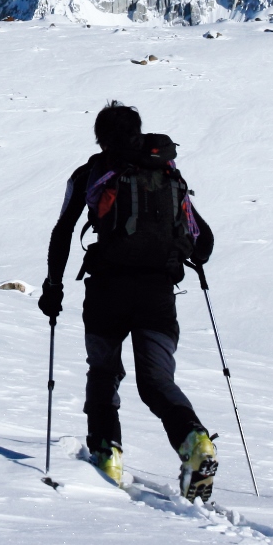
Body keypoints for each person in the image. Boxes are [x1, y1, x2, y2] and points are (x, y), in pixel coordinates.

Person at [38, 101, 218, 498]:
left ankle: (107, 455)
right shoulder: (167, 172)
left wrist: (53, 287)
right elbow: (203, 242)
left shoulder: (92, 172)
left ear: (100, 138)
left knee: (104, 372)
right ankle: (195, 442)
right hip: (157, 294)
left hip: (108, 290)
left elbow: (63, 230)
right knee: (156, 381)